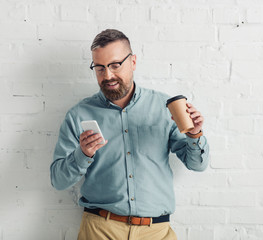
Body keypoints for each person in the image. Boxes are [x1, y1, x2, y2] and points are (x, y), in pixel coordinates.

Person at [50, 29, 209, 240]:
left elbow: (197, 164)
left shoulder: (164, 107)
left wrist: (195, 134)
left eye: (115, 65)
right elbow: (58, 181)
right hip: (99, 230)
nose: (108, 75)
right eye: (100, 68)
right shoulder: (78, 115)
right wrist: (83, 154)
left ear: (133, 61)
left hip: (156, 232)